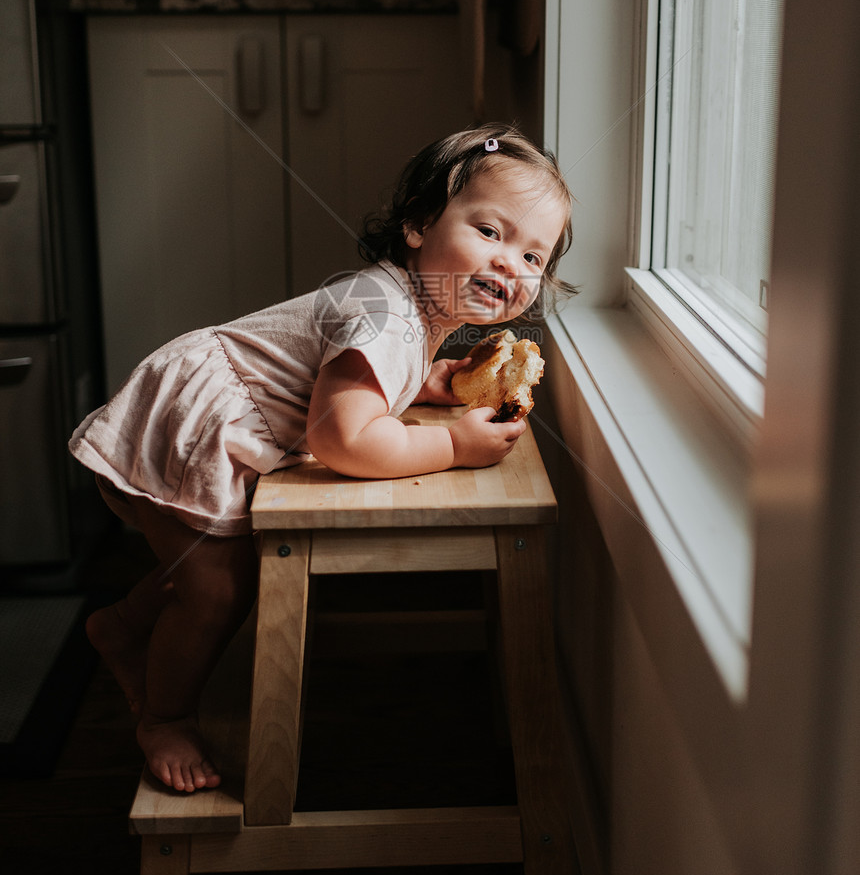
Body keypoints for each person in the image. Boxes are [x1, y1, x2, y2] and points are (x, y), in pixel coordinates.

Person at [71, 123, 575, 793]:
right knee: (219, 584)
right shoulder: (385, 314)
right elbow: (344, 438)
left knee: (199, 567)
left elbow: (369, 377)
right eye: (490, 232)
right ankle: (164, 717)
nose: (512, 263)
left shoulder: (411, 311)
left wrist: (437, 382)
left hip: (203, 407)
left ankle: (125, 626)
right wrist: (452, 444)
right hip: (189, 425)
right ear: (419, 224)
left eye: (534, 256)